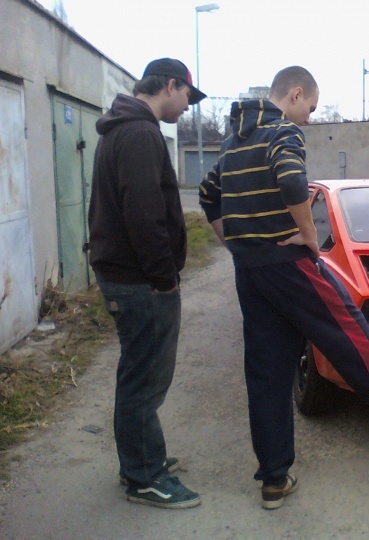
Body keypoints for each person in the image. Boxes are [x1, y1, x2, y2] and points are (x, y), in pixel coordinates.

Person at [198, 66, 369, 510]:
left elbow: (208, 196)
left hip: (250, 271)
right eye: (310, 107)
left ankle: (274, 479)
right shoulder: (282, 131)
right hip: (287, 262)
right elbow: (291, 181)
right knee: (346, 323)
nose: (309, 116)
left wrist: (235, 243)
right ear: (296, 94)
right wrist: (308, 234)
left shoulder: (233, 143)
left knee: (267, 373)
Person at [87, 58, 206, 509]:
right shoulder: (140, 133)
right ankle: (143, 477)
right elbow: (143, 213)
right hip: (139, 282)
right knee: (144, 380)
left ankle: (139, 460)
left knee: (138, 375)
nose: (188, 107)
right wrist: (163, 280)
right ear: (170, 85)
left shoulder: (126, 128)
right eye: (187, 97)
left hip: (127, 276)